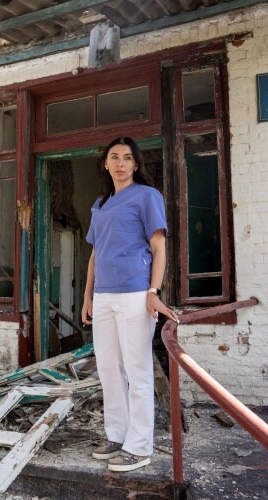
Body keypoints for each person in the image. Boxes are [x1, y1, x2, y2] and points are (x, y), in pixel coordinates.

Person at [82, 136, 178, 472]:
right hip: (104, 296)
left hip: (136, 292)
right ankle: (117, 435)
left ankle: (139, 447)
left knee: (137, 371)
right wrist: (87, 296)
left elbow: (159, 247)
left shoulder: (147, 196)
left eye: (127, 158)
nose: (120, 163)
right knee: (108, 369)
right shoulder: (100, 205)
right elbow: (95, 253)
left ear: (136, 164)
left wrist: (154, 289)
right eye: (114, 157)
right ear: (106, 164)